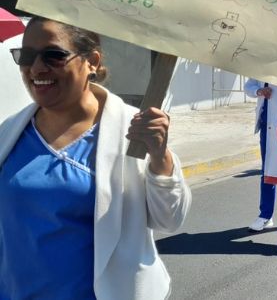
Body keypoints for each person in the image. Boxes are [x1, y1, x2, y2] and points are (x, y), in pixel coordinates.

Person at [0, 17, 191, 299]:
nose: (37, 67)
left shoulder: (134, 129)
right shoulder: (9, 132)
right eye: (26, 56)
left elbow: (169, 219)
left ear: (91, 61)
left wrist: (159, 156)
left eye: (54, 55)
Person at [243, 79, 277, 231]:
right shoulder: (265, 61)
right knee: (268, 171)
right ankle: (266, 215)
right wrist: (259, 91)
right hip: (267, 124)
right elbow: (249, 86)